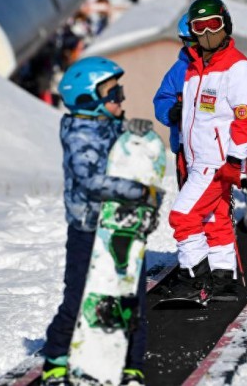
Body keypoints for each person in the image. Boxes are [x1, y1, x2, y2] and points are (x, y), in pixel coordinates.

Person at [41, 57, 156, 386]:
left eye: (120, 91)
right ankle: (56, 358)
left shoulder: (107, 125)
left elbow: (126, 151)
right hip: (88, 231)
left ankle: (132, 362)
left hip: (121, 227)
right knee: (78, 297)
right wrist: (136, 191)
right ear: (90, 100)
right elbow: (91, 180)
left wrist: (136, 138)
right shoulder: (80, 136)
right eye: (113, 93)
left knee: (132, 296)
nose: (121, 98)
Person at [166, 0, 247, 303]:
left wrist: (236, 159)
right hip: (198, 159)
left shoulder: (239, 68)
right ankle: (224, 278)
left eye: (214, 25)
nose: (207, 33)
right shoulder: (196, 68)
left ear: (226, 25)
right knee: (214, 219)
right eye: (199, 26)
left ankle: (194, 279)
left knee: (182, 216)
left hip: (215, 161)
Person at [153, 14, 194, 188]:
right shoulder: (179, 70)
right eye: (189, 42)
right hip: (185, 147)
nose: (195, 48)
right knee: (188, 194)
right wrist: (170, 112)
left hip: (215, 148)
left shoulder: (224, 69)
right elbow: (162, 98)